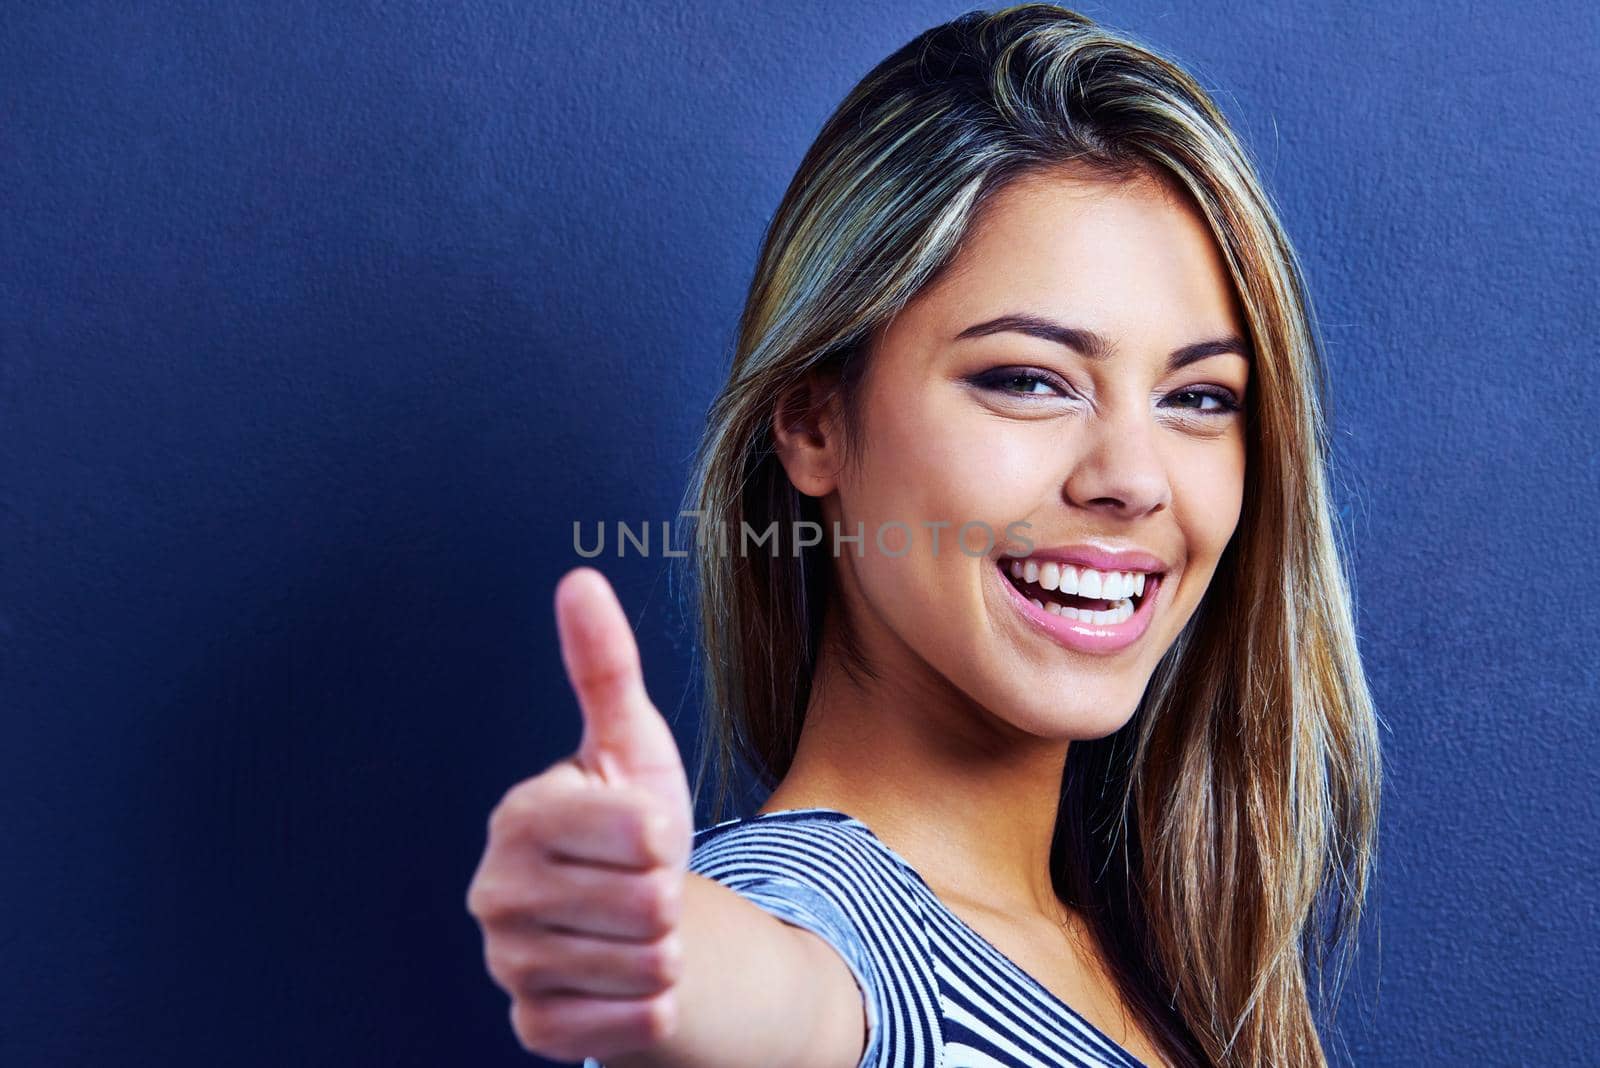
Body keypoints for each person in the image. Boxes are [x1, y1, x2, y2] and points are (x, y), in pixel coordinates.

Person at [467, 5, 1382, 1066]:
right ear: (815, 424)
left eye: (1198, 397)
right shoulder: (811, 927)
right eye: (1028, 380)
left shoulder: (1152, 961)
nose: (1132, 479)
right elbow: (787, 998)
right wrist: (658, 949)